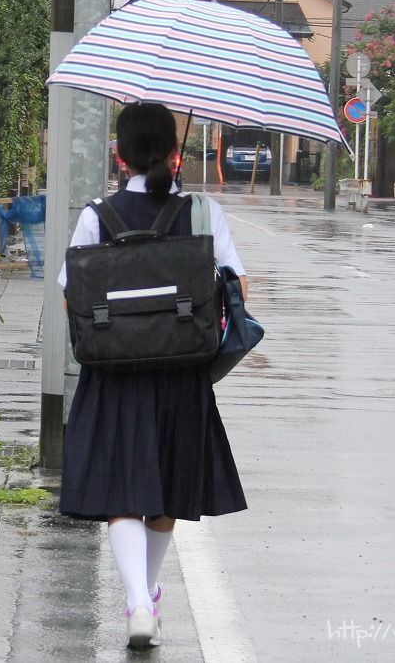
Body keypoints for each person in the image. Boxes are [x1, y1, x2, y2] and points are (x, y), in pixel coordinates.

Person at [57, 102, 249, 650]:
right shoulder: (202, 213)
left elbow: (73, 293)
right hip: (182, 373)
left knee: (121, 490)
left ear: (119, 154)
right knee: (169, 491)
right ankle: (146, 594)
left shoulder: (98, 214)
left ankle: (140, 600)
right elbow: (237, 292)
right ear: (174, 153)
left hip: (116, 373)